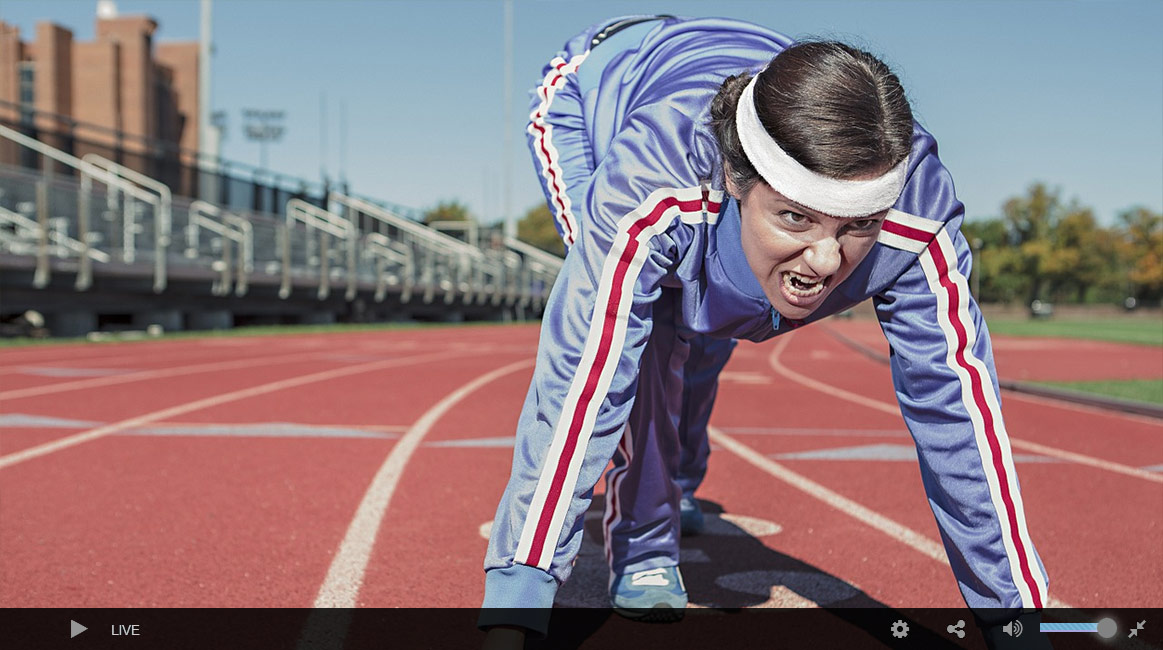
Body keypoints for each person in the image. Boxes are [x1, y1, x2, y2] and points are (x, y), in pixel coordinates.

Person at [481, 14, 1050, 649]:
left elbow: (959, 416)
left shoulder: (916, 216)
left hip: (738, 94)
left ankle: (678, 480)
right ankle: (643, 538)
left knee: (710, 333)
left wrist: (1018, 623)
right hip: (594, 96)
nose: (826, 261)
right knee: (648, 335)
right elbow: (582, 380)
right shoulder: (651, 182)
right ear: (737, 180)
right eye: (795, 218)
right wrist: (518, 600)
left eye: (855, 226)